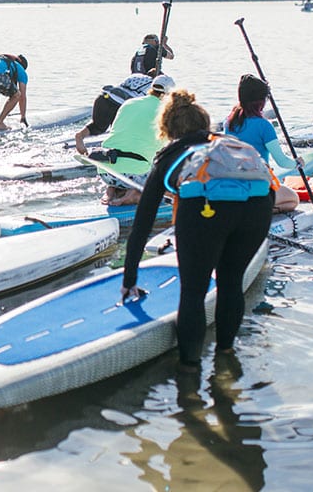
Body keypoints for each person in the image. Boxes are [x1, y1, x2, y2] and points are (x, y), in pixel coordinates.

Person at [121, 89, 275, 372]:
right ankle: (226, 359)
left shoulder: (169, 157)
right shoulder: (230, 145)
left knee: (193, 292)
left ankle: (189, 377)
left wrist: (129, 278)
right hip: (259, 206)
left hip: (205, 206)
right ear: (205, 125)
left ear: (168, 129)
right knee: (231, 282)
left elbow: (142, 225)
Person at [89, 74, 174, 206]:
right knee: (170, 189)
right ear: (169, 95)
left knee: (130, 160)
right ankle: (135, 195)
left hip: (106, 172)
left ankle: (112, 190)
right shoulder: (166, 112)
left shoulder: (128, 103)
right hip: (134, 173)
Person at [225, 74, 301, 212]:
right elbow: (282, 162)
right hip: (257, 187)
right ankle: (263, 211)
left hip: (234, 185)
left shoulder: (229, 123)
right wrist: (297, 163)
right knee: (293, 200)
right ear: (261, 102)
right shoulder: (264, 126)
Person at [73, 73, 154, 154]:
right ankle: (114, 153)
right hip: (120, 106)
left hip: (104, 97)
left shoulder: (137, 76)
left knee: (97, 126)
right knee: (123, 132)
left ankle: (80, 136)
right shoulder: (152, 87)